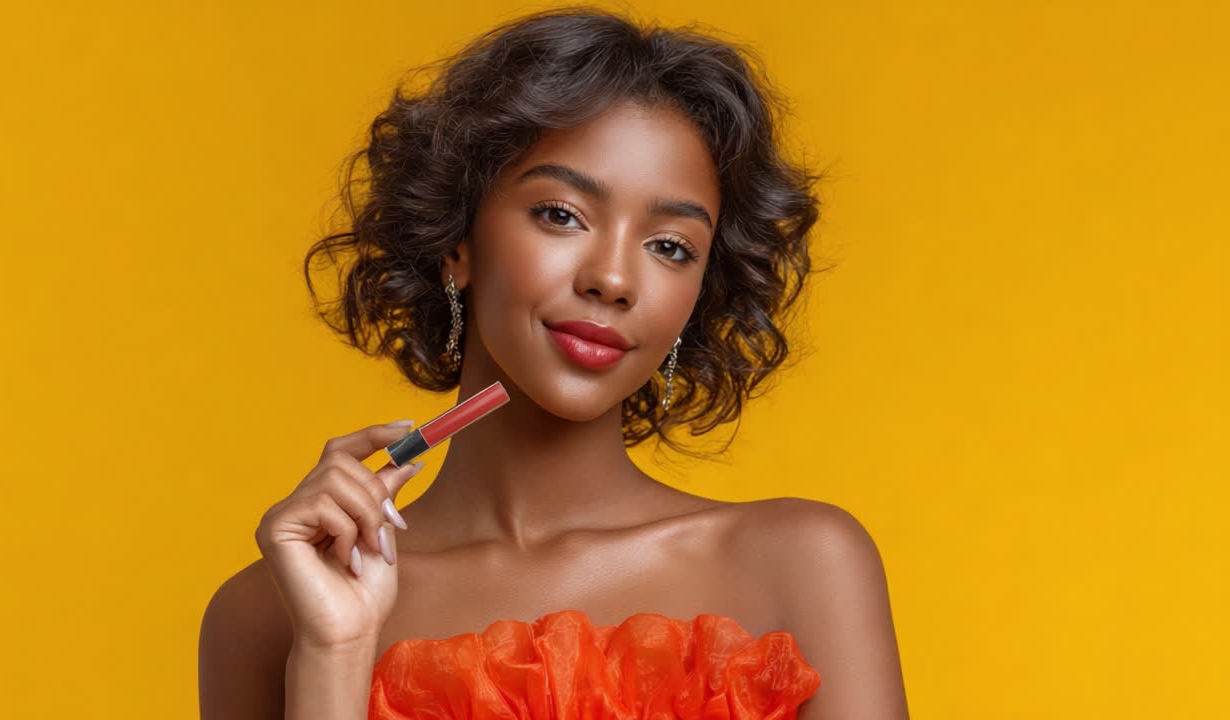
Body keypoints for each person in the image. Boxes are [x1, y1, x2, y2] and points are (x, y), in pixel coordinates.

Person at [199, 7, 909, 719]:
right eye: (562, 214)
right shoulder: (269, 613)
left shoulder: (805, 565)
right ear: (458, 241)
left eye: (670, 247)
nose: (614, 279)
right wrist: (335, 653)